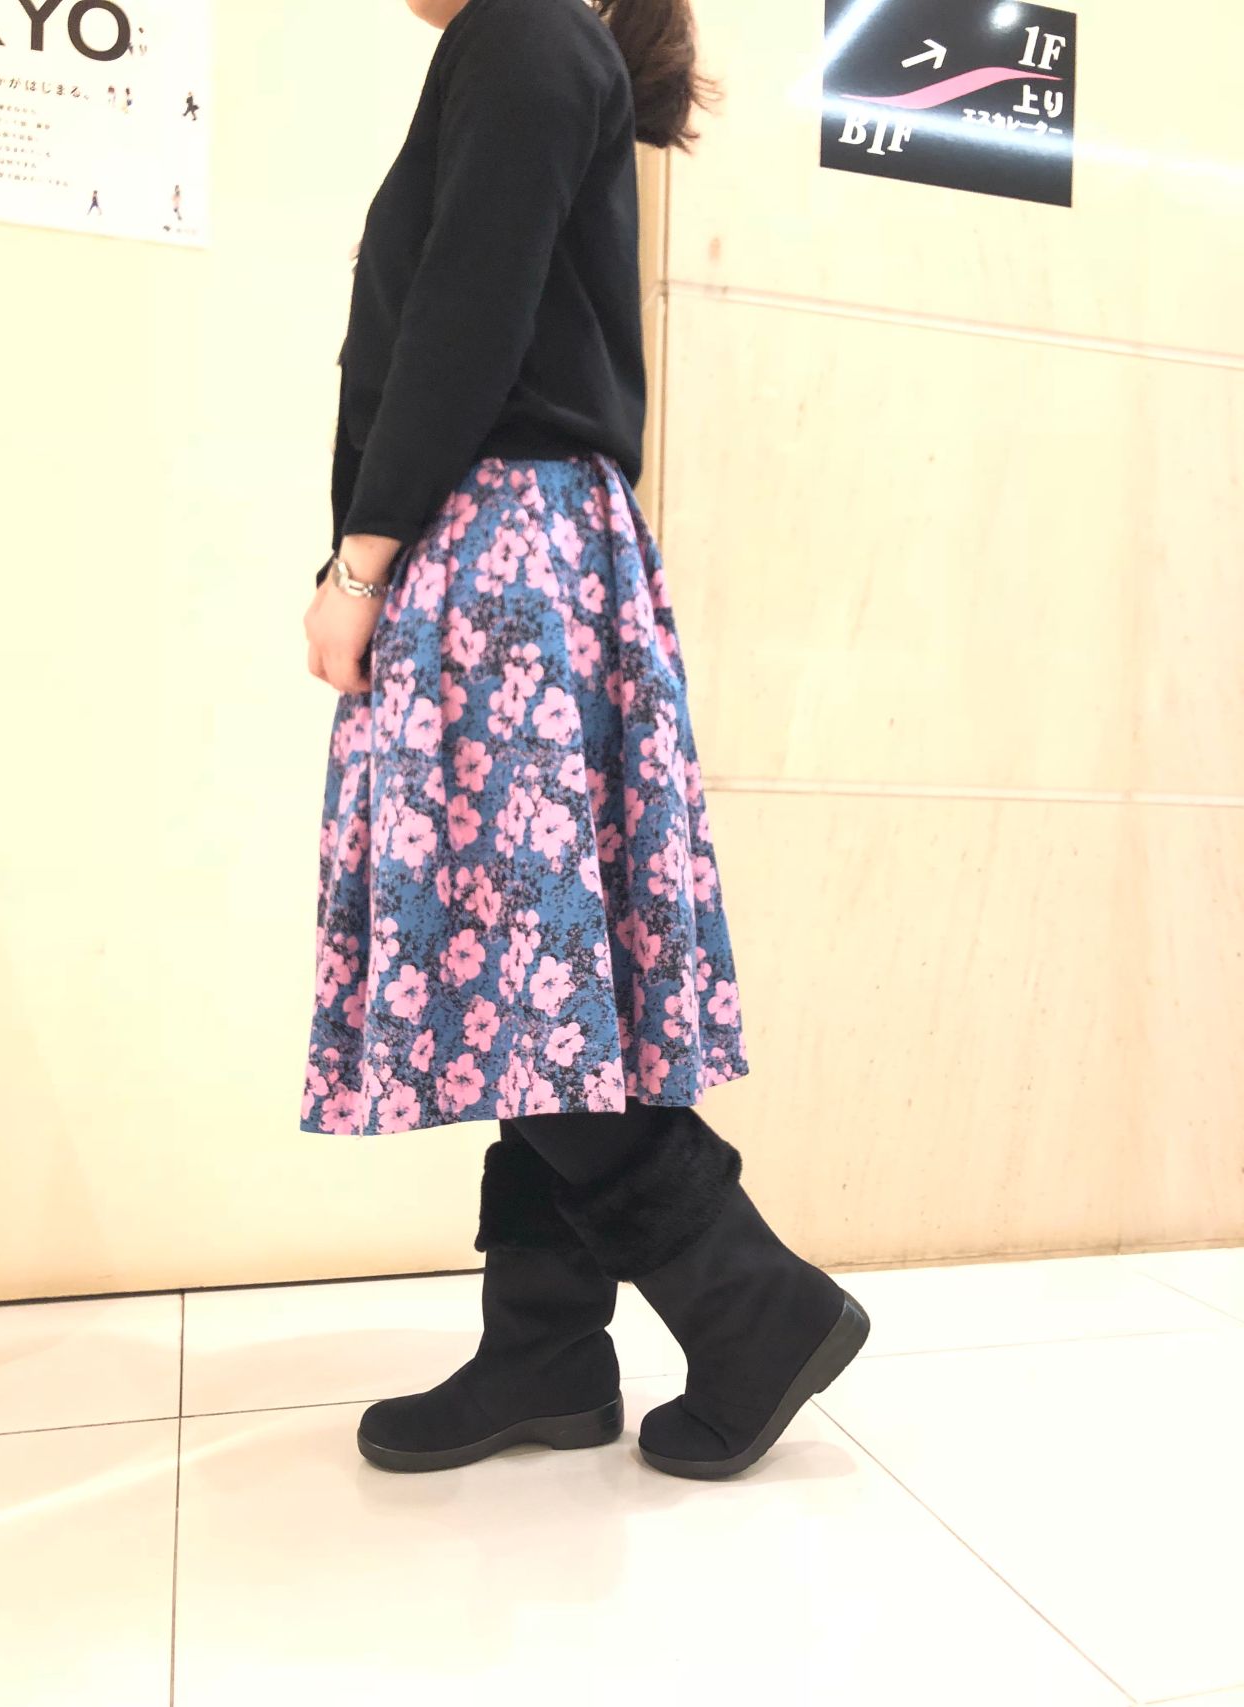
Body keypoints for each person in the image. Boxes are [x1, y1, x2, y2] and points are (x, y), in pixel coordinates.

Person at [300, 0, 870, 1482]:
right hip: (526, 550)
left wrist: (361, 562)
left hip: (497, 552)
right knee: (539, 977)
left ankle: (750, 1302)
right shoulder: (541, 42)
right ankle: (545, 1350)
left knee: (516, 972)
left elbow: (464, 321)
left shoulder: (525, 35)